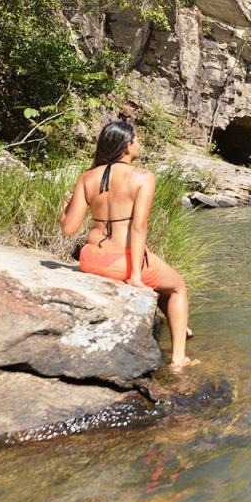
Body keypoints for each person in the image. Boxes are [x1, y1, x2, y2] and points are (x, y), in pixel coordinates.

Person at [60, 120, 199, 369]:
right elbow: (138, 227)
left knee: (157, 272)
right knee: (177, 286)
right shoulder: (142, 177)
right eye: (136, 139)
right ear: (126, 146)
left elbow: (68, 229)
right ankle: (179, 358)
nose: (139, 143)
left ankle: (181, 325)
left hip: (90, 259)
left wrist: (63, 211)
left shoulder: (87, 177)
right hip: (120, 263)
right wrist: (135, 276)